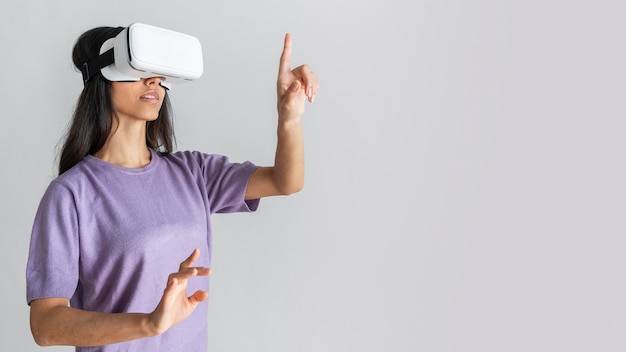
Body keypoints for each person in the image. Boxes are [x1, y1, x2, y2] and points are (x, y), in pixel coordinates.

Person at [25, 24, 319, 351]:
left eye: (157, 71)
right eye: (136, 68)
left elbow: (285, 181)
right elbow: (45, 325)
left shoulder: (192, 172)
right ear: (100, 74)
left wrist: (289, 118)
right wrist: (149, 323)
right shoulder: (70, 195)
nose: (153, 80)